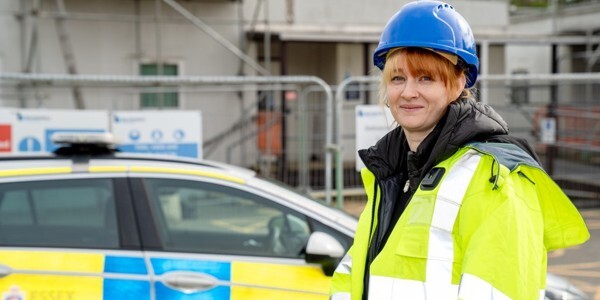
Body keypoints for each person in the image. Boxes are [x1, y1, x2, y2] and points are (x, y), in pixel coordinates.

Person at [329, 1, 590, 299]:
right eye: (398, 78)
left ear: (458, 83)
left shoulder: (497, 180)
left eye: (426, 78)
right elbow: (353, 279)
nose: (408, 91)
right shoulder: (390, 174)